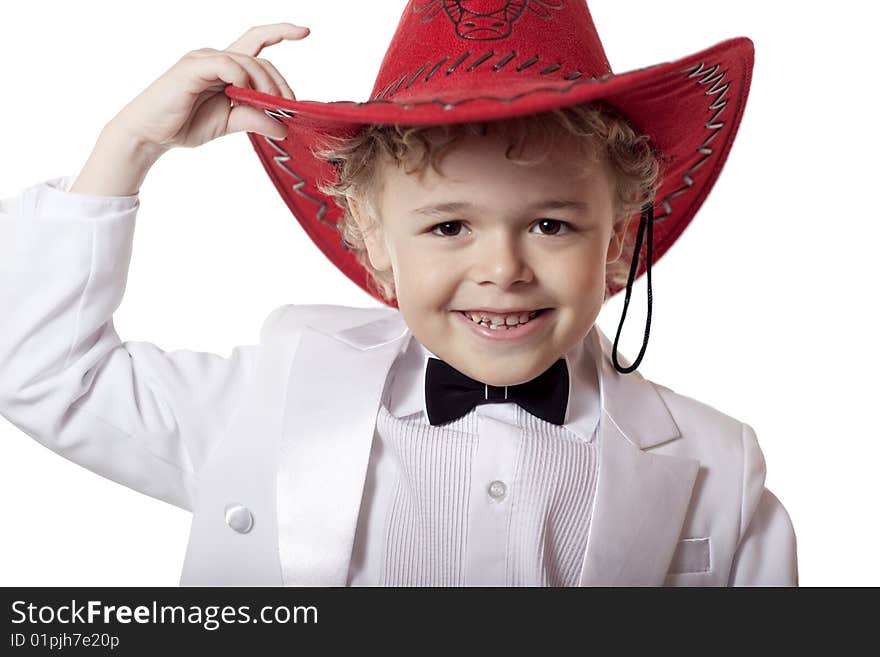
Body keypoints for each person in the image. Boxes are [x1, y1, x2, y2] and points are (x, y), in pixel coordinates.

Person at [0, 2, 797, 586]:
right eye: (449, 227)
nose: (504, 268)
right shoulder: (267, 404)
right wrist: (128, 146)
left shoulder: (715, 467)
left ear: (619, 239)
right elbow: (39, 371)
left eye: (552, 225)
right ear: (374, 243)